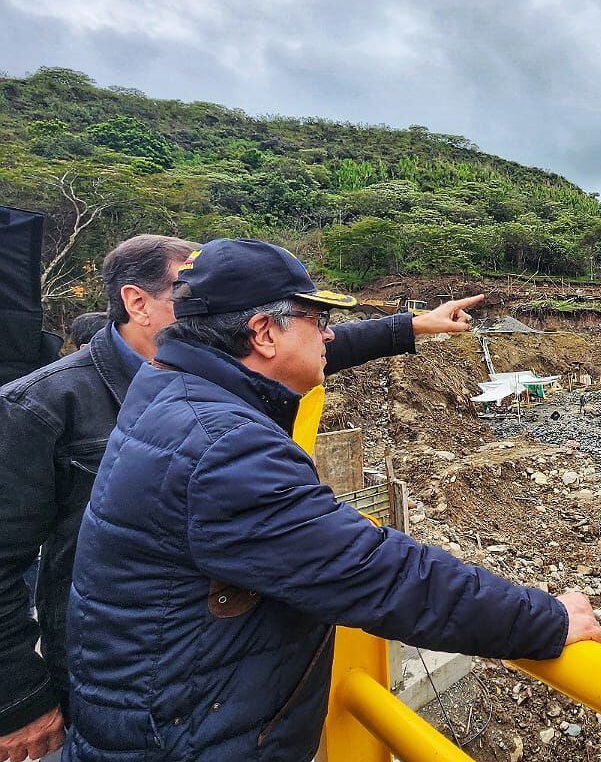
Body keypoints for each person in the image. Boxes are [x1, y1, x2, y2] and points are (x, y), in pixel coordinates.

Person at [62, 238, 601, 761]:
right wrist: (544, 620)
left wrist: (410, 325)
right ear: (263, 333)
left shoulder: (171, 384)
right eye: (317, 321)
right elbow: (375, 571)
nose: (328, 336)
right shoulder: (225, 447)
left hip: (160, 712)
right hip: (186, 738)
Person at [0, 234, 476, 762]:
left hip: (216, 679)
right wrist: (20, 700)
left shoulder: (198, 376)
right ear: (137, 301)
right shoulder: (44, 404)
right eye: (190, 287)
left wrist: (412, 324)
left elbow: (303, 346)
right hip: (112, 674)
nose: (208, 297)